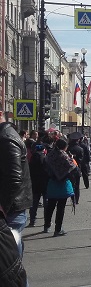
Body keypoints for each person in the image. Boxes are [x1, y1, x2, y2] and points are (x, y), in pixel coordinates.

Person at [0, 107, 33, 257]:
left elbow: (13, 178)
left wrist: (3, 209)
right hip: (12, 209)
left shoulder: (6, 138)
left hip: (11, 211)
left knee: (10, 268)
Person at [44, 138, 77, 236]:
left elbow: (45, 165)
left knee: (50, 206)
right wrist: (71, 158)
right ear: (64, 146)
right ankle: (58, 229)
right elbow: (72, 167)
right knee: (60, 207)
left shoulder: (50, 154)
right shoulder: (64, 155)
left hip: (51, 182)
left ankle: (47, 225)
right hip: (62, 183)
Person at [28, 138, 49, 228]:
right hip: (45, 184)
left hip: (35, 184)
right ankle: (46, 223)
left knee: (34, 203)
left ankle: (32, 221)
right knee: (46, 204)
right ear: (43, 149)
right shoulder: (45, 159)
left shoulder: (32, 159)